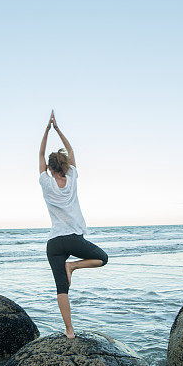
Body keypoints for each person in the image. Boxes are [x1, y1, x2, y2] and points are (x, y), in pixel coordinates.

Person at [38, 110, 108, 338]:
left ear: (49, 168)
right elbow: (72, 150)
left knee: (61, 288)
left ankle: (69, 330)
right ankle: (74, 266)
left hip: (54, 242)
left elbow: (39, 153)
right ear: (65, 165)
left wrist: (47, 131)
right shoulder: (73, 177)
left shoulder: (45, 182)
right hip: (73, 238)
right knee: (102, 258)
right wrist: (58, 128)